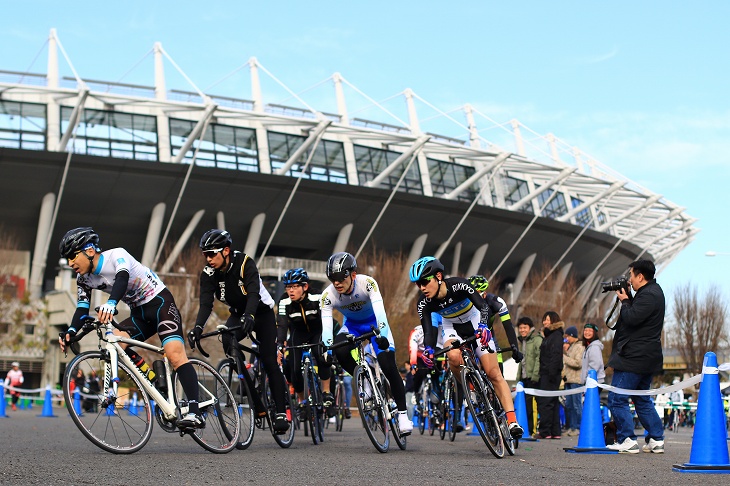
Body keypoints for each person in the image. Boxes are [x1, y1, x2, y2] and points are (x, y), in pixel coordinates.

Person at [58, 227, 203, 428]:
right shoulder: (83, 279)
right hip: (139, 314)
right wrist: (71, 331)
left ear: (90, 250)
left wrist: (111, 304)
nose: (70, 262)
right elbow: (82, 308)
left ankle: (196, 412)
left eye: (72, 256)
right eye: (67, 259)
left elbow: (122, 279)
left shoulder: (117, 255)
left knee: (175, 355)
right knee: (116, 342)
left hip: (160, 303)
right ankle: (156, 385)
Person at [409, 258, 524, 439]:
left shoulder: (460, 285)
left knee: (493, 373)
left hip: (475, 320)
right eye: (418, 284)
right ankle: (472, 388)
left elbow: (484, 307)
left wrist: (485, 327)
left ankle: (512, 421)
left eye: (424, 282)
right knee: (453, 356)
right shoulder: (424, 303)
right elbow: (429, 332)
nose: (421, 288)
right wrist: (429, 349)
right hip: (452, 328)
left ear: (438, 276)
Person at [189, 229, 290, 434]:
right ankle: (251, 389)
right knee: (228, 341)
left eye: (212, 254)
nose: (208, 259)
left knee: (269, 360)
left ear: (226, 251)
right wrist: (198, 327)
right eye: (205, 255)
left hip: (261, 312)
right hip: (237, 313)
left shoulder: (245, 263)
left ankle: (280, 411)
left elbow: (253, 293)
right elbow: (206, 304)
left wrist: (250, 316)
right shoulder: (208, 274)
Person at [321, 251, 413, 435]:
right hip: (352, 327)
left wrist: (383, 335)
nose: (337, 282)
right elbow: (327, 328)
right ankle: (365, 378)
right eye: (332, 278)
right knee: (339, 350)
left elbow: (381, 313)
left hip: (375, 325)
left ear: (353, 275)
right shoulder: (327, 295)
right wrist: (327, 349)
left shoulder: (367, 283)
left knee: (388, 364)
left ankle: (403, 415)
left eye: (340, 277)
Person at [606, 259, 665, 454]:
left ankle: (627, 439)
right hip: (646, 357)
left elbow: (631, 318)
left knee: (617, 398)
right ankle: (656, 438)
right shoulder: (651, 293)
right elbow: (637, 316)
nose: (629, 280)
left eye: (631, 275)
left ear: (640, 276)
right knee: (641, 399)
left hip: (634, 357)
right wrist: (629, 298)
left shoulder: (649, 295)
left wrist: (624, 300)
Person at [276, 267, 334, 417]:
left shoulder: (317, 297)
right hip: (297, 333)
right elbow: (282, 324)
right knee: (294, 368)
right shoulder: (283, 301)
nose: (291, 291)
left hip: (317, 331)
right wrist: (280, 344)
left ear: (305, 287)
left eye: (295, 287)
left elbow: (326, 319)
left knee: (321, 355)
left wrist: (327, 342)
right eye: (288, 287)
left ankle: (326, 392)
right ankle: (302, 402)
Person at [536, 310, 564, 439]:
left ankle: (545, 431)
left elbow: (556, 355)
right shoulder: (549, 335)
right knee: (552, 402)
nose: (545, 322)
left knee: (546, 403)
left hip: (550, 374)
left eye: (548, 319)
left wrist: (552, 373)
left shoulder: (556, 335)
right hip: (548, 373)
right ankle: (554, 431)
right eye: (544, 319)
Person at [516, 316, 541, 436]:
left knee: (532, 407)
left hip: (533, 378)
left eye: (524, 327)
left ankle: (532, 430)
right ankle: (526, 429)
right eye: (520, 328)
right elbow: (522, 362)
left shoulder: (536, 340)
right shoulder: (523, 341)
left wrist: (535, 375)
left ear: (530, 328)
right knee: (525, 406)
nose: (522, 330)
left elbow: (538, 358)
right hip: (524, 378)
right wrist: (518, 378)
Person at [562, 325, 585, 437]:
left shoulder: (580, 347)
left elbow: (578, 363)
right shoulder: (571, 347)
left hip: (576, 380)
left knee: (577, 405)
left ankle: (579, 427)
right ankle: (572, 427)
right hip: (569, 380)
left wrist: (565, 358)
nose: (566, 339)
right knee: (569, 406)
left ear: (572, 336)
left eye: (567, 337)